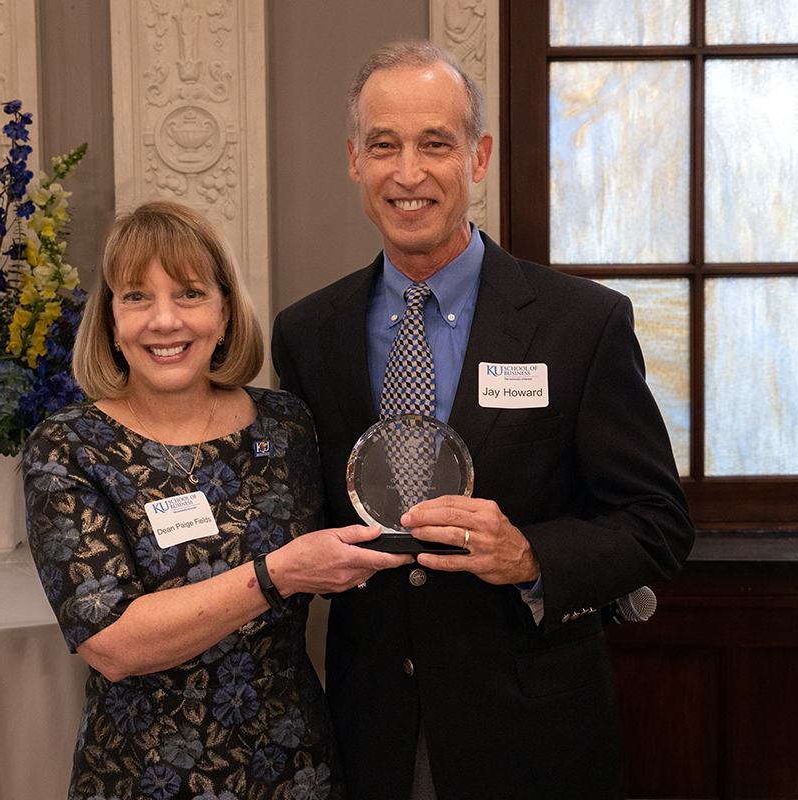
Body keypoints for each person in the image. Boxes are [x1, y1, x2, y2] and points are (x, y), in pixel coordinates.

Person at [270, 42, 695, 799]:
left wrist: (530, 554)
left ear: (478, 155)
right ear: (353, 160)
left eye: (436, 143)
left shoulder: (581, 324)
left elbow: (656, 524)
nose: (408, 173)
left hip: (532, 733)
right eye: (384, 146)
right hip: (374, 729)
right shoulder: (308, 334)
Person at [23, 200, 409, 800]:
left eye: (190, 294)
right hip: (145, 774)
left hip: (295, 767)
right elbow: (113, 645)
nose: (164, 320)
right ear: (110, 322)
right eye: (136, 297)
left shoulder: (288, 425)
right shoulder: (69, 447)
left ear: (225, 313)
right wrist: (275, 574)